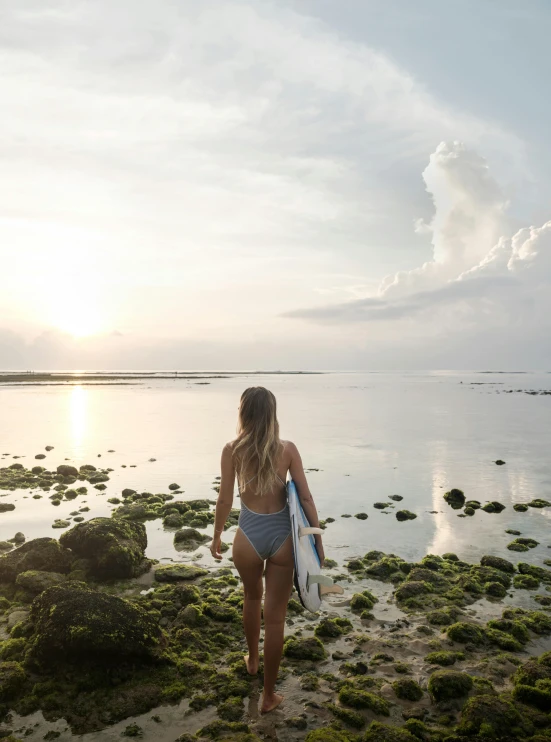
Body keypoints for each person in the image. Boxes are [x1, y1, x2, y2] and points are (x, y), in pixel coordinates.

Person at [209, 386, 324, 714]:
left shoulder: (232, 450)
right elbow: (305, 498)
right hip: (282, 541)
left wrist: (217, 535)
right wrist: (317, 539)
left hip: (246, 537)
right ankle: (268, 696)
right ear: (272, 414)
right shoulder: (287, 449)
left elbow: (224, 500)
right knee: (275, 621)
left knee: (250, 598)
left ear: (243, 413)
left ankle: (253, 660)